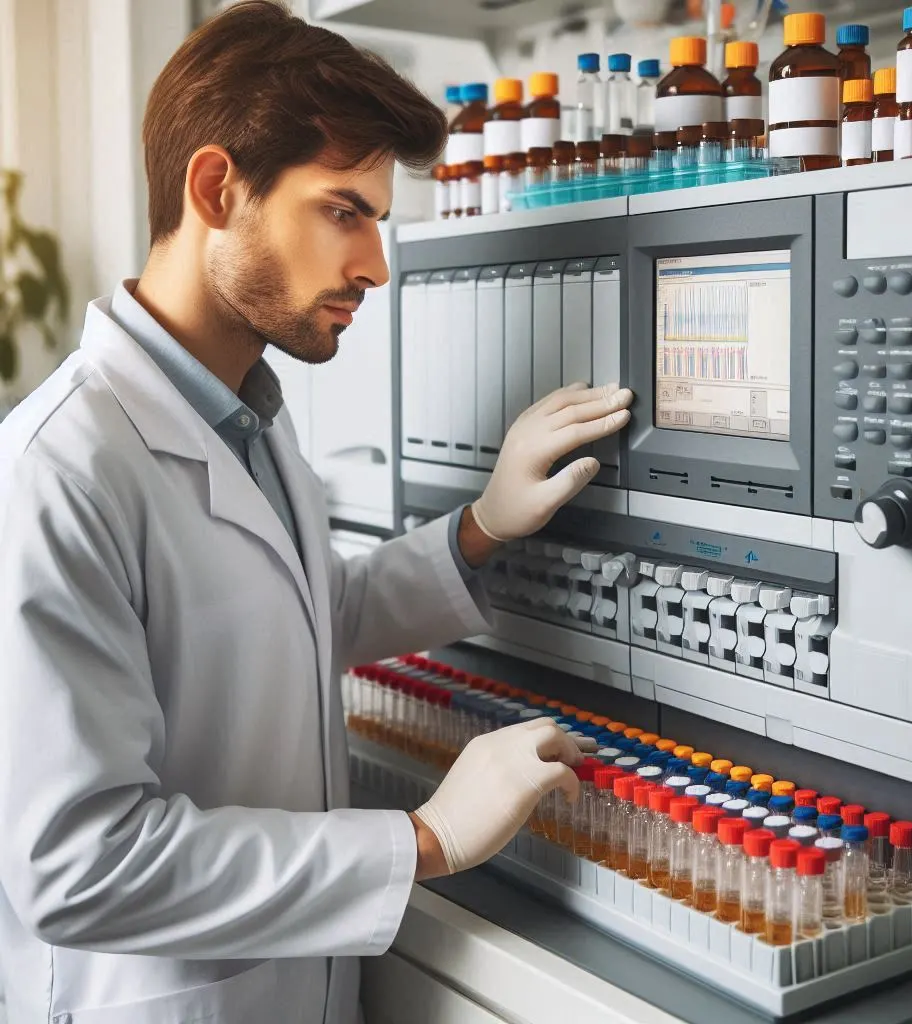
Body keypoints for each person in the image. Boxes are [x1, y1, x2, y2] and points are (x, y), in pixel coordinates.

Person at [0, 3, 634, 1023]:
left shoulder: (245, 411)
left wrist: (480, 529)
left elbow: (294, 619)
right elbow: (80, 862)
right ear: (217, 189)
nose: (375, 266)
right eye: (344, 210)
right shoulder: (60, 470)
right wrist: (425, 838)